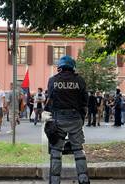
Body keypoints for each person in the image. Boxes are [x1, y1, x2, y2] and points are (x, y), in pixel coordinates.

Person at [46, 55, 90, 184]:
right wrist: (81, 118)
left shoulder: (53, 80)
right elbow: (84, 101)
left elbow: (50, 100)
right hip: (75, 118)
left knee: (56, 151)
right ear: (72, 67)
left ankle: (55, 181)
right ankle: (83, 180)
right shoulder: (80, 80)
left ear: (60, 67)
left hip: (58, 119)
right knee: (78, 150)